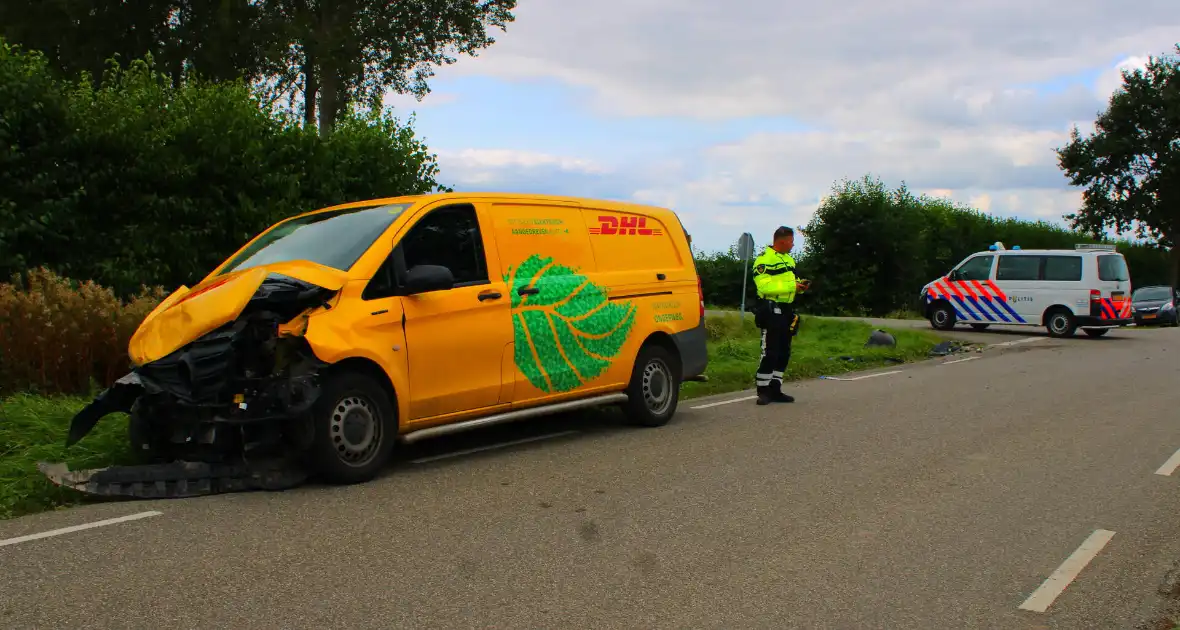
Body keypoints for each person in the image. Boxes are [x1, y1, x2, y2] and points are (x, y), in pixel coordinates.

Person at [750, 226, 810, 405]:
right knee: (770, 351)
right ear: (781, 241)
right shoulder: (763, 261)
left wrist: (799, 285)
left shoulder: (789, 260)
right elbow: (765, 287)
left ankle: (776, 388)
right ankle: (763, 390)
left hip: (787, 310)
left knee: (784, 351)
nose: (793, 245)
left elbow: (786, 282)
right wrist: (792, 287)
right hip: (771, 309)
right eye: (791, 241)